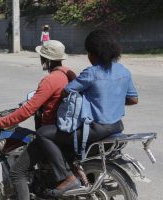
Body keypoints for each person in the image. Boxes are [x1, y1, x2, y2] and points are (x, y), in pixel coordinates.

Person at [36, 29, 139, 197]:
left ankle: (66, 178)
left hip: (95, 129)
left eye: (88, 53)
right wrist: (111, 99)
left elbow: (66, 92)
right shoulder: (123, 71)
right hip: (116, 127)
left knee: (44, 133)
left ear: (93, 54)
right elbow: (133, 100)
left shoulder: (91, 73)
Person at [0, 40, 76, 200]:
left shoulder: (50, 80)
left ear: (45, 59)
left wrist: (0, 122)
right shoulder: (69, 73)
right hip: (66, 130)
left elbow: (28, 110)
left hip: (50, 132)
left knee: (17, 173)